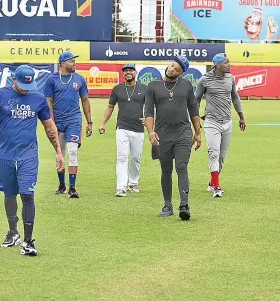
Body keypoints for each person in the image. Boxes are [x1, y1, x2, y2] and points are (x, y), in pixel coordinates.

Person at [0, 65, 64, 256]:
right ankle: (13, 232)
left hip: (28, 154)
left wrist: (59, 152)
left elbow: (49, 127)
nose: (24, 89)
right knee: (9, 194)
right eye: (21, 85)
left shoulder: (38, 98)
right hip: (5, 154)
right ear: (14, 79)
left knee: (27, 194)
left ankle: (28, 241)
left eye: (28, 85)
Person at [144, 56, 201, 220]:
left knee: (181, 167)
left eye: (176, 69)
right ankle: (167, 205)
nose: (171, 69)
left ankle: (184, 205)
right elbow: (148, 110)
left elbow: (194, 109)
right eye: (172, 65)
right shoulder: (153, 86)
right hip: (163, 135)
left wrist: (197, 133)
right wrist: (151, 131)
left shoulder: (186, 85)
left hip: (183, 133)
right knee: (166, 170)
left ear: (181, 73)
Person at [195, 53, 246, 198]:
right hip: (212, 122)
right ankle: (217, 187)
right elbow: (195, 101)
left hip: (227, 122)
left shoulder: (231, 78)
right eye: (226, 63)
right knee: (214, 153)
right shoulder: (204, 80)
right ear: (217, 66)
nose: (229, 65)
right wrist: (195, 121)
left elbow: (235, 97)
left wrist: (241, 117)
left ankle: (212, 182)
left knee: (221, 157)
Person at [44, 51, 92, 198]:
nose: (74, 63)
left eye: (74, 61)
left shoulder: (79, 79)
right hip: (58, 122)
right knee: (60, 153)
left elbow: (85, 100)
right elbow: (49, 102)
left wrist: (89, 122)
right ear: (62, 64)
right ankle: (61, 184)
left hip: (74, 120)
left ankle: (72, 187)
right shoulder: (51, 80)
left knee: (72, 152)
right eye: (71, 61)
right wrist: (51, 123)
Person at [99, 63, 147, 197]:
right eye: (125, 71)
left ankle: (133, 182)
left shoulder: (144, 88)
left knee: (136, 157)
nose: (128, 72)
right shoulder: (117, 89)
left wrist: (148, 119)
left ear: (135, 72)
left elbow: (151, 106)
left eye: (130, 70)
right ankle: (121, 187)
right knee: (122, 157)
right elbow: (110, 107)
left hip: (138, 128)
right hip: (122, 127)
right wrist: (103, 123)